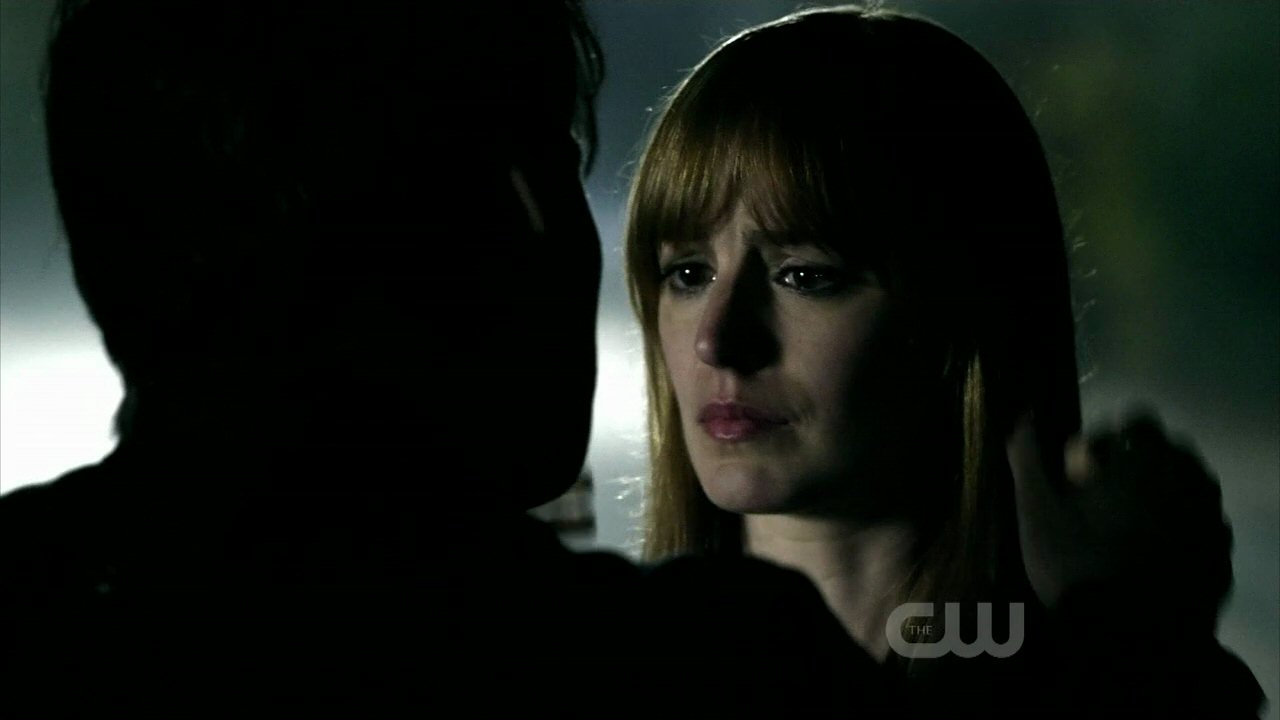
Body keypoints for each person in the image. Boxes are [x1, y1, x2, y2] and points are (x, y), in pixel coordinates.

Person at [1, 1, 893, 716]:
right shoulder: (714, 677)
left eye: (805, 273)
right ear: (517, 208)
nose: (714, 339)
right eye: (561, 162)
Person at [624, 5, 1265, 716]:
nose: (716, 340)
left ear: (966, 306)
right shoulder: (600, 668)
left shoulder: (1093, 680)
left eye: (805, 275)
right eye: (688, 273)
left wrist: (1138, 649)